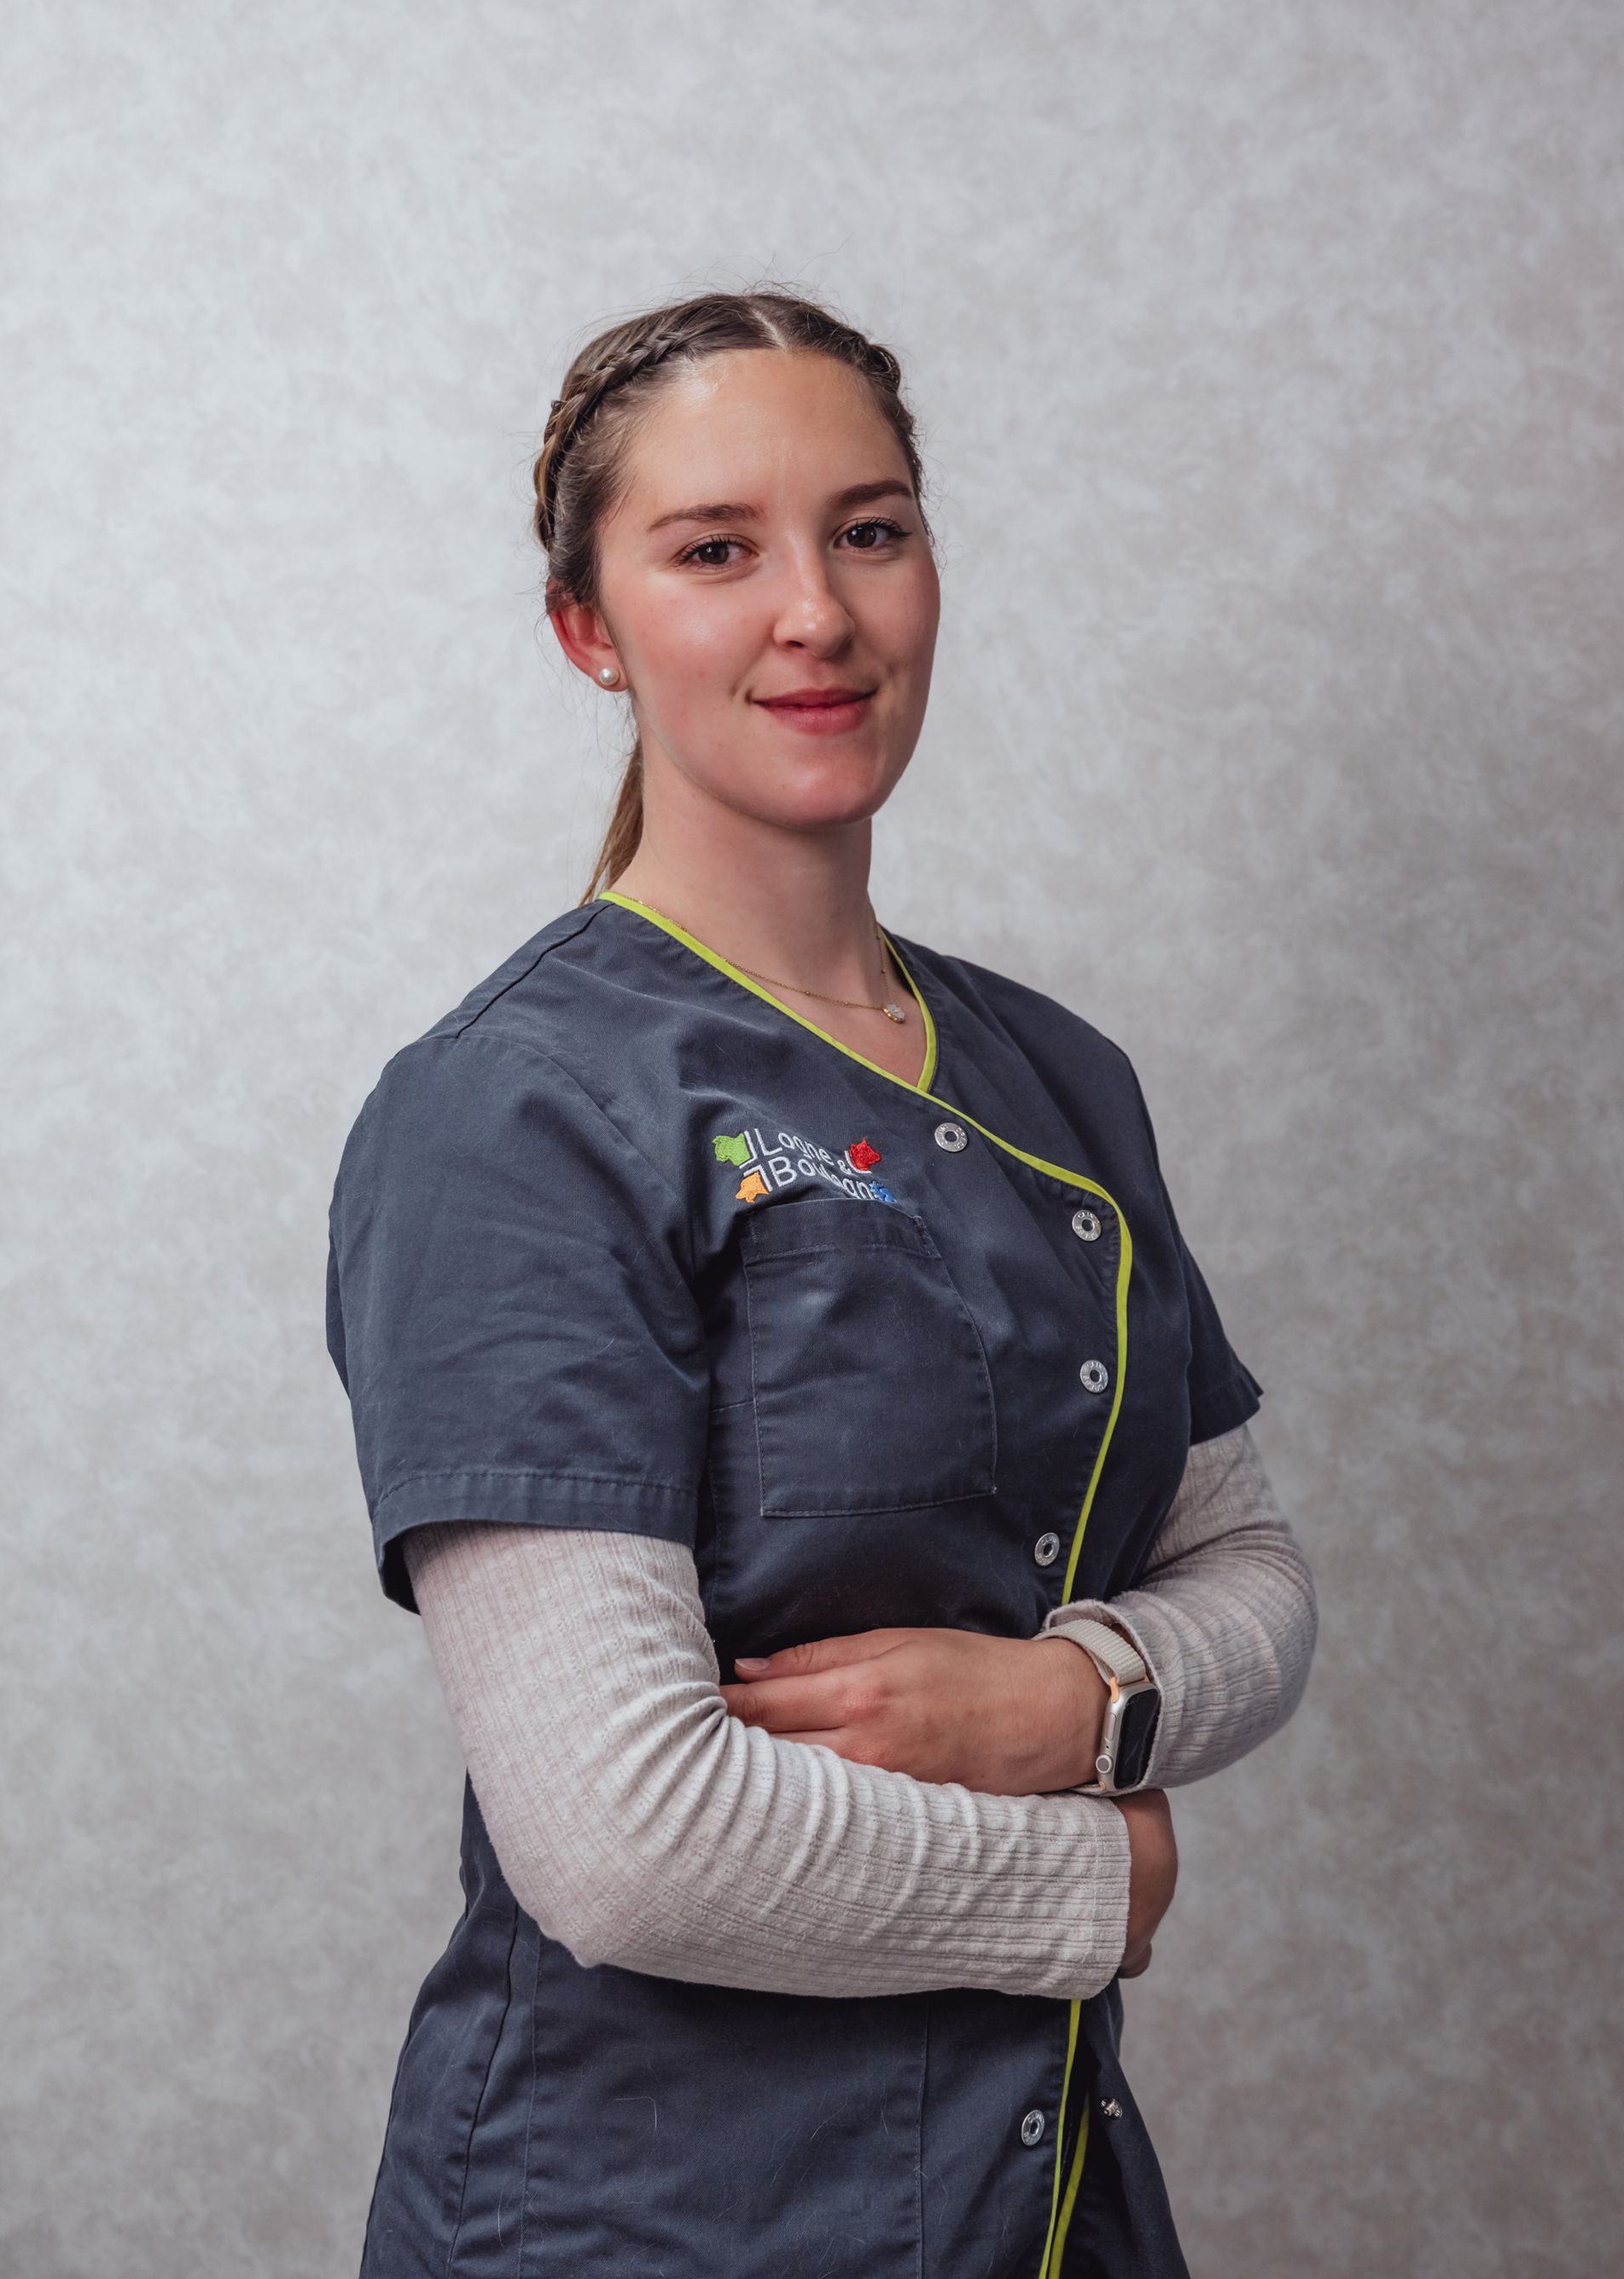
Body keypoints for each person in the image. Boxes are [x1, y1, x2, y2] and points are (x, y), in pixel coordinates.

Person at [325, 288, 1318, 2279]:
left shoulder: (1059, 1074)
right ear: (587, 630)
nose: (819, 616)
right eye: (717, 550)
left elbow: (1255, 1575)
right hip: (643, 2224)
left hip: (1043, 2210)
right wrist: (1099, 1874)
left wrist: (1082, 1697)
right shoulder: (513, 1113)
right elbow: (626, 1837)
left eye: (870, 530)